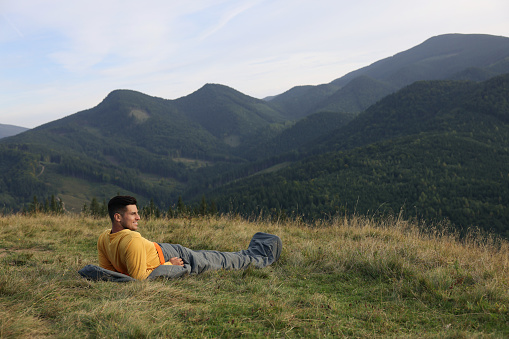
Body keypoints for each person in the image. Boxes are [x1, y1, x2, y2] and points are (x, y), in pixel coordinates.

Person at [97, 195, 282, 280]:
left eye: (137, 213)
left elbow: (109, 272)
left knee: (216, 258)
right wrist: (170, 266)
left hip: (167, 251)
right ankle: (262, 251)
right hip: (172, 256)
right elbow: (139, 280)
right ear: (118, 217)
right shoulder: (132, 240)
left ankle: (259, 252)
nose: (138, 218)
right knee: (220, 260)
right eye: (133, 214)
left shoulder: (105, 237)